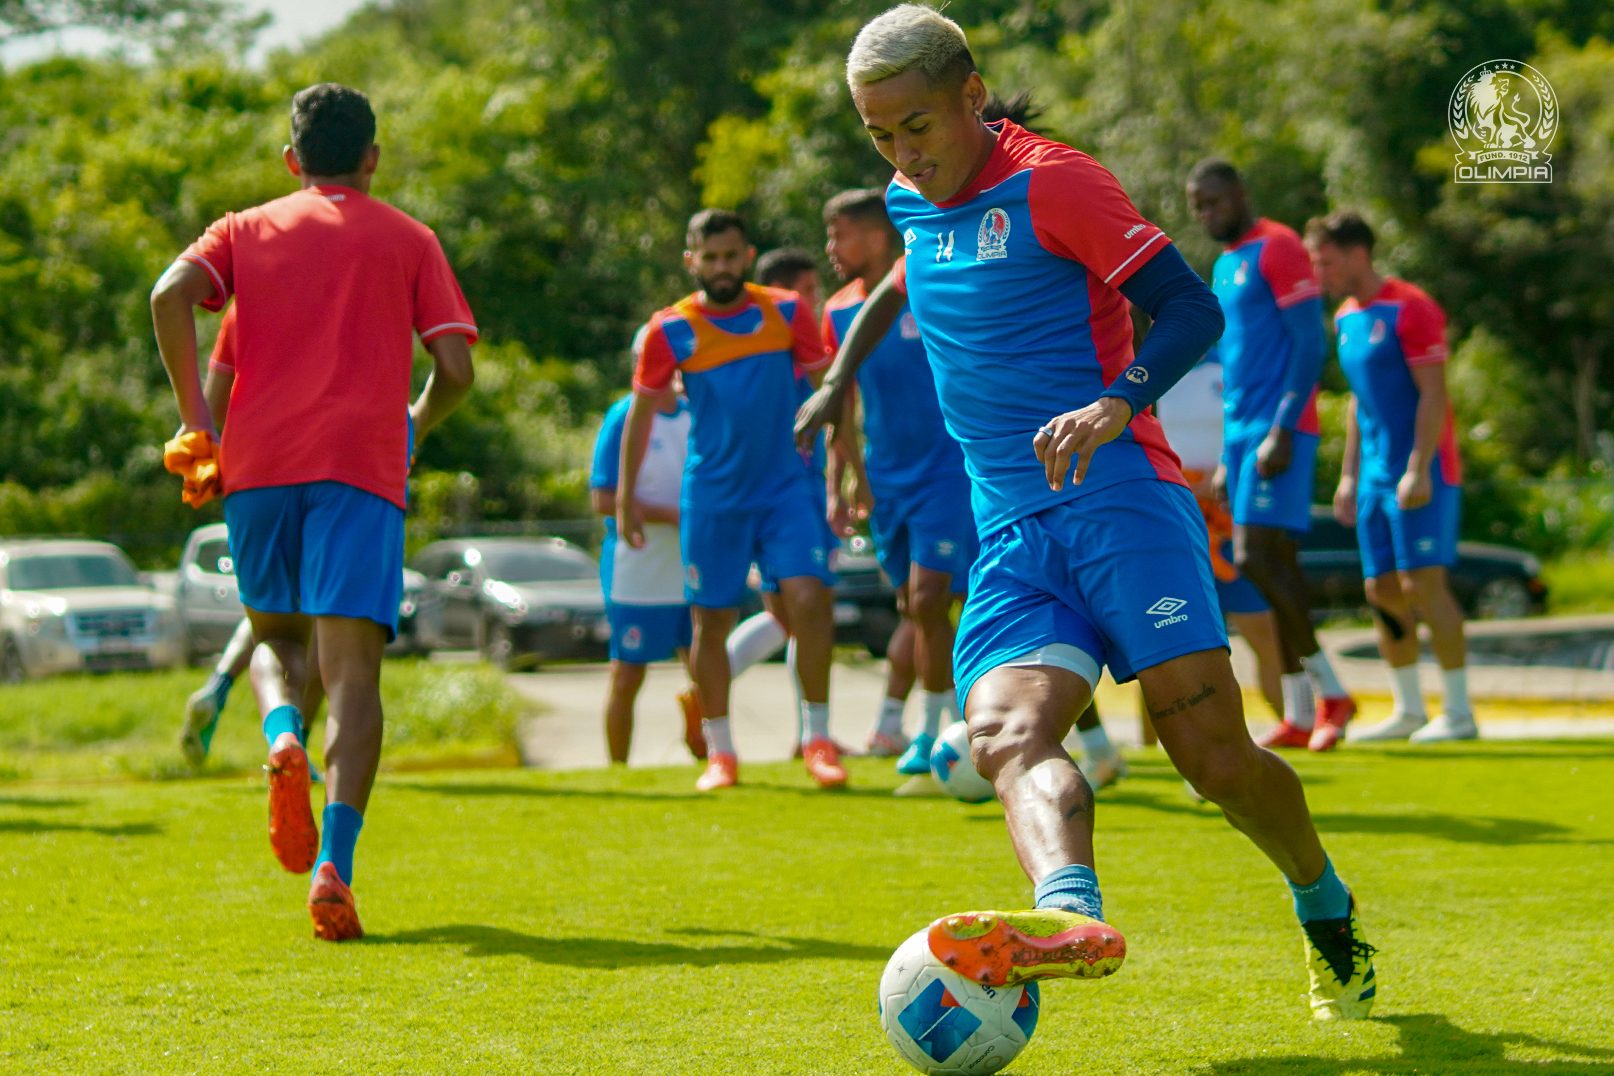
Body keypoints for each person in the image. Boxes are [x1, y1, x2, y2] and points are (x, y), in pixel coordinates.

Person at [801, 6, 1375, 1020]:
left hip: (1124, 503)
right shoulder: (908, 197)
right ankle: (1069, 912)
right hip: (1013, 530)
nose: (902, 154)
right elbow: (906, 274)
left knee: (1213, 760)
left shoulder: (1056, 183)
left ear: (971, 96)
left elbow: (1190, 305)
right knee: (1001, 731)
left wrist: (1117, 401)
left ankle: (1324, 902)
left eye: (918, 127)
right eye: (879, 135)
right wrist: (838, 377)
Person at [151, 83, 476, 940]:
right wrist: (414, 422)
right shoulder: (410, 239)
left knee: (276, 644)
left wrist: (197, 427)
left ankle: (284, 730)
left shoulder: (244, 232)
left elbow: (169, 297)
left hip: (258, 471)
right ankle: (333, 863)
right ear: (372, 156)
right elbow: (457, 368)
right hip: (361, 471)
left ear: (291, 160)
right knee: (354, 674)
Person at [619, 209, 844, 791]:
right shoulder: (670, 330)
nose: (720, 267)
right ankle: (721, 753)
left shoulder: (787, 311)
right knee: (711, 621)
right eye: (708, 258)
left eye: (730, 256)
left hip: (785, 487)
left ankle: (817, 739)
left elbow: (832, 395)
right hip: (714, 495)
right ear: (691, 260)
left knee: (809, 600)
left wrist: (848, 473)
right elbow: (640, 418)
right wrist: (625, 500)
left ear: (747, 256)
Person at [1186, 157, 1358, 752]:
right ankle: (1304, 711)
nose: (1208, 213)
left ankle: (1331, 694)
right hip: (1243, 435)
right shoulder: (1225, 263)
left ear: (1240, 192)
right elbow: (1239, 360)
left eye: (1214, 200)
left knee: (1260, 556)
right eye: (1198, 206)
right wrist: (1232, 452)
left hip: (1278, 429)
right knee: (1263, 561)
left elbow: (1309, 342)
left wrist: (1281, 428)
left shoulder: (1278, 245)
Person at [1305, 211, 1476, 742]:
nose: (1319, 273)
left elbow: (1434, 394)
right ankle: (1408, 709)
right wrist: (1349, 477)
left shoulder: (1412, 306)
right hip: (1374, 477)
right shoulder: (1344, 318)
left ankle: (1459, 712)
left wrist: (1419, 468)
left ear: (1359, 253)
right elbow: (1359, 403)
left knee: (1423, 584)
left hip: (1423, 472)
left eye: (1326, 261)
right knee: (1380, 588)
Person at [821, 187, 975, 774]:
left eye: (843, 234)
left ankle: (931, 732)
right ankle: (1084, 742)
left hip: (949, 470)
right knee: (917, 604)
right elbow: (843, 403)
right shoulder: (838, 311)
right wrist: (844, 481)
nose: (833, 247)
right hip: (889, 480)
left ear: (878, 234)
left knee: (934, 596)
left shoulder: (930, 283)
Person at [1155, 355, 1288, 720]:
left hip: (1228, 524)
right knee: (1165, 642)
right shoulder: (1146, 367)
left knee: (1263, 631)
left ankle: (1293, 725)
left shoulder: (1234, 363)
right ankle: (1152, 747)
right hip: (1174, 521)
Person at [590, 361, 699, 764]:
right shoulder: (624, 416)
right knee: (628, 673)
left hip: (690, 568)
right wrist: (671, 515)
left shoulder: (695, 414)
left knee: (706, 670)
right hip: (637, 570)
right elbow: (603, 498)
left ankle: (711, 755)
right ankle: (618, 767)